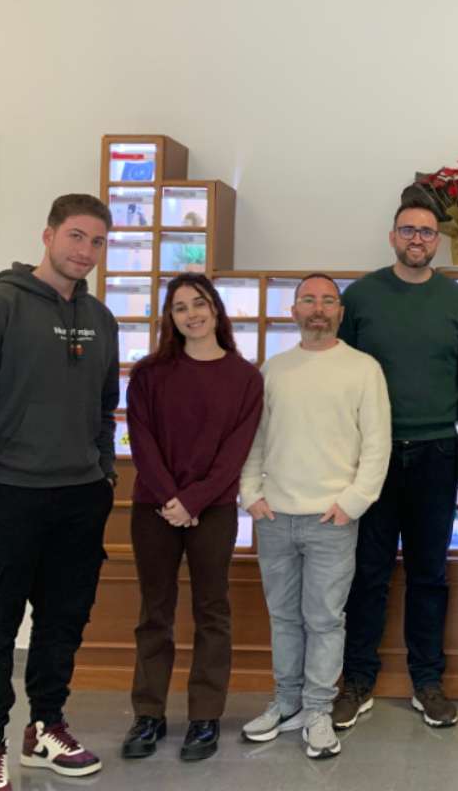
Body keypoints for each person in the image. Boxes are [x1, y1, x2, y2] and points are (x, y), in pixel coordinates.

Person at [0, 194, 119, 790]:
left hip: (80, 499)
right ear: (48, 235)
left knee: (64, 621)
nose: (84, 251)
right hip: (8, 498)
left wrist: (103, 475)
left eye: (96, 241)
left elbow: (102, 410)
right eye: (75, 237)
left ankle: (45, 728)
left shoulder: (101, 320)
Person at [334, 197, 458, 730]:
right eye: (407, 231)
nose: (417, 239)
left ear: (437, 240)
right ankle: (357, 681)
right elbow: (338, 376)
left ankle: (427, 681)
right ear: (392, 236)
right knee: (367, 573)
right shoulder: (362, 296)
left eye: (426, 231)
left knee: (429, 574)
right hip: (372, 459)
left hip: (437, 454)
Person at [239, 273, 391, 759]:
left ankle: (318, 710)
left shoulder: (363, 369)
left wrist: (351, 503)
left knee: (324, 620)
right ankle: (285, 703)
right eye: (309, 300)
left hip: (332, 519)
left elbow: (376, 445)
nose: (318, 308)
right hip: (275, 515)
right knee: (283, 617)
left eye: (328, 301)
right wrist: (250, 495)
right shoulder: (273, 370)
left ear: (340, 313)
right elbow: (255, 439)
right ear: (294, 310)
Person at [120, 274, 263, 762]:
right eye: (179, 308)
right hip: (153, 508)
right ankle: (148, 714)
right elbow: (141, 442)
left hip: (215, 510)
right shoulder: (148, 374)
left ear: (216, 310)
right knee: (154, 614)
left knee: (212, 612)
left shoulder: (245, 377)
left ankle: (204, 717)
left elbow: (234, 453)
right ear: (170, 319)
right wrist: (169, 498)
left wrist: (194, 501)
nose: (191, 314)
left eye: (198, 304)